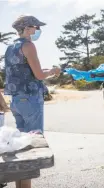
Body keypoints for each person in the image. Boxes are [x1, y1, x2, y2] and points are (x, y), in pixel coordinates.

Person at [4, 15, 60, 188]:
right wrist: (53, 71)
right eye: (36, 27)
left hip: (17, 101)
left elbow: (26, 71)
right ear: (27, 28)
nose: (38, 31)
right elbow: (39, 75)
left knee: (21, 147)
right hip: (30, 100)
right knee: (32, 147)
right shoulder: (29, 45)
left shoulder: (11, 47)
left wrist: (46, 70)